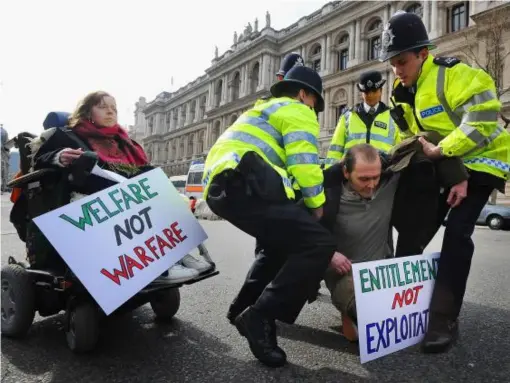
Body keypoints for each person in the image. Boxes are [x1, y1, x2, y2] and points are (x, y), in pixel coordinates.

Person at [379, 11, 510, 353]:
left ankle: (443, 319)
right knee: (416, 226)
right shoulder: (401, 92)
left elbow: (482, 117)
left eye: (402, 61)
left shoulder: (455, 73)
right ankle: (396, 306)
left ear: (423, 54)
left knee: (457, 231)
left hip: (484, 159)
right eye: (392, 63)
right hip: (447, 161)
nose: (397, 70)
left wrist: (446, 155)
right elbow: (414, 138)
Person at [203, 65, 341, 367]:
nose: (314, 110)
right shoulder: (297, 110)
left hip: (223, 188)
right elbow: (304, 162)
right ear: (304, 94)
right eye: (315, 102)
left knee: (278, 244)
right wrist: (317, 204)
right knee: (318, 242)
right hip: (245, 184)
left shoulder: (263, 109)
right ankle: (259, 316)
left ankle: (242, 307)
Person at [32, 91, 211, 280]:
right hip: (89, 199)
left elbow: (140, 169)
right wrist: (58, 156)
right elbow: (39, 160)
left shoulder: (125, 142)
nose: (110, 112)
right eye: (103, 107)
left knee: (157, 186)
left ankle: (176, 255)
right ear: (87, 112)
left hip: (126, 195)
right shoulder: (67, 135)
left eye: (114, 109)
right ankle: (159, 265)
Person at [319, 139, 468, 342]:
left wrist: (457, 178)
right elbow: (303, 233)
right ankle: (350, 312)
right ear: (346, 172)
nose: (371, 185)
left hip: (385, 275)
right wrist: (329, 254)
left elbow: (422, 142)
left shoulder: (388, 183)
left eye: (375, 177)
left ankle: (356, 318)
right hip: (346, 276)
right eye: (363, 179)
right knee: (361, 329)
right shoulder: (325, 196)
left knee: (398, 319)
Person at [324, 70, 401, 166]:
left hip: (383, 175)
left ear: (381, 91)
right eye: (367, 92)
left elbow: (399, 150)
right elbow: (334, 151)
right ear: (362, 93)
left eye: (374, 91)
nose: (370, 95)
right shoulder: (347, 116)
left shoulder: (392, 116)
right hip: (353, 175)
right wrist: (331, 174)